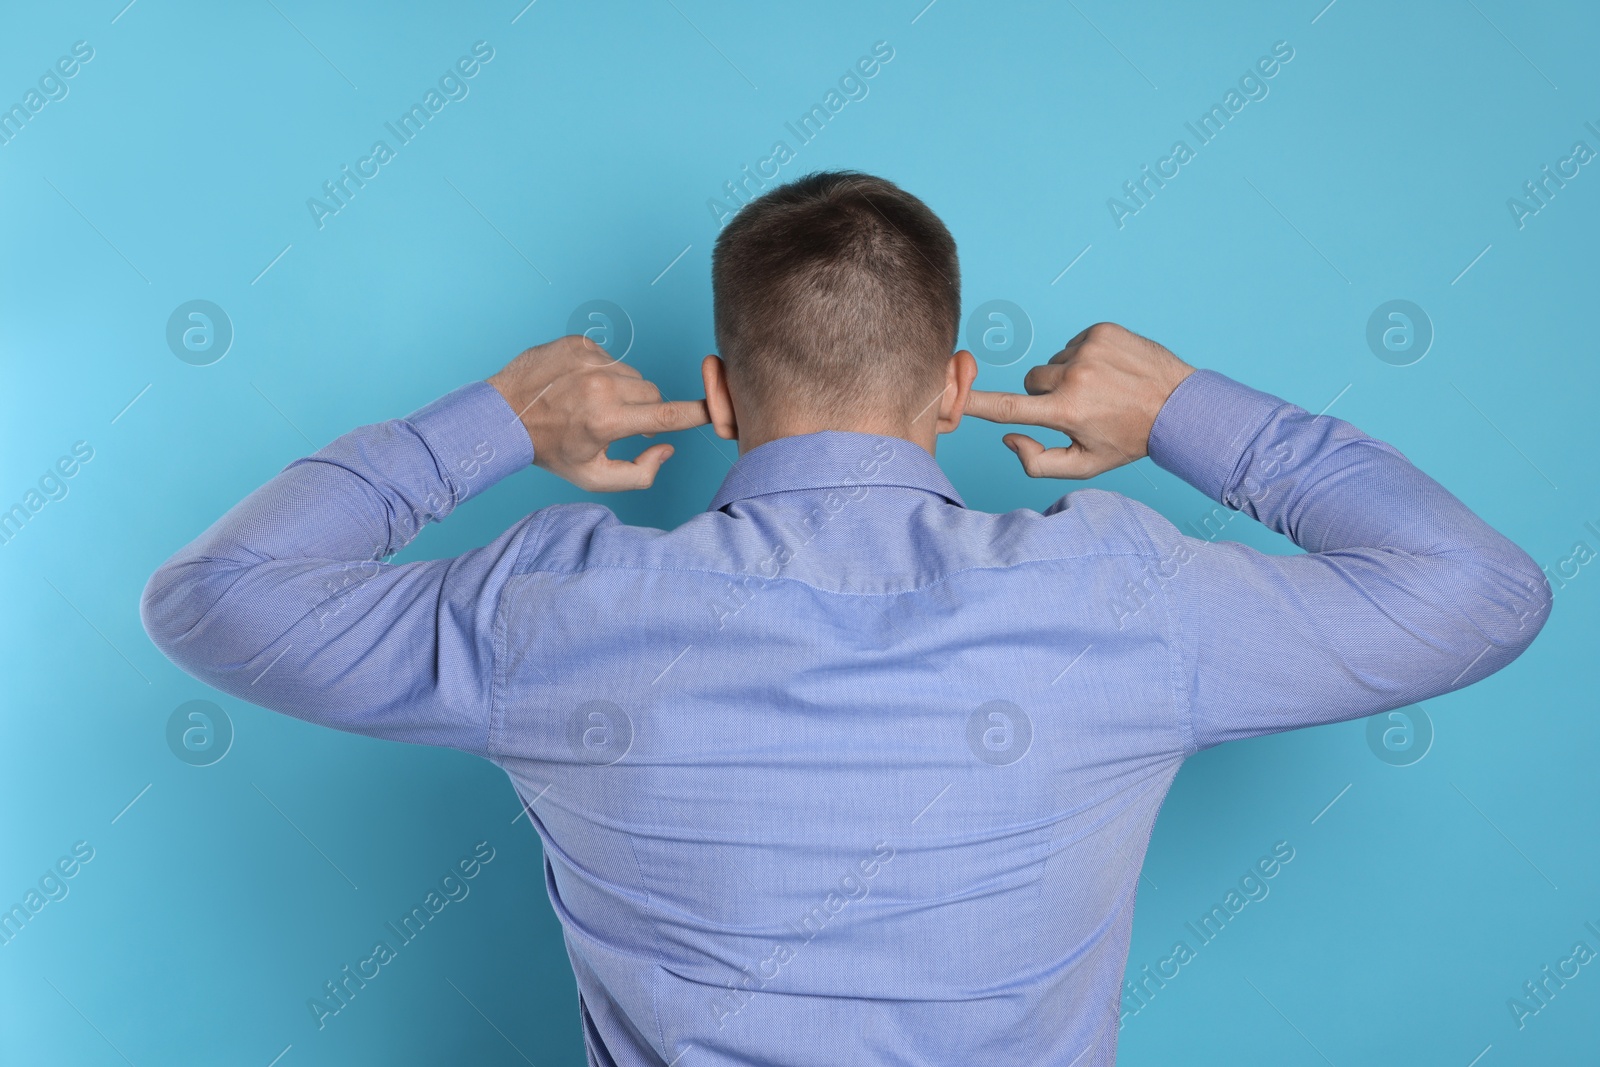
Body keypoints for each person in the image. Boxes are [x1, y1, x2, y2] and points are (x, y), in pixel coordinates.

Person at [141, 171, 1551, 1066]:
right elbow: (1485, 594)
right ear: (952, 384)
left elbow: (213, 602)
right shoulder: (1129, 598)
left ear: (723, 392)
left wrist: (493, 424)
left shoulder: (553, 606)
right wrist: (1188, 413)